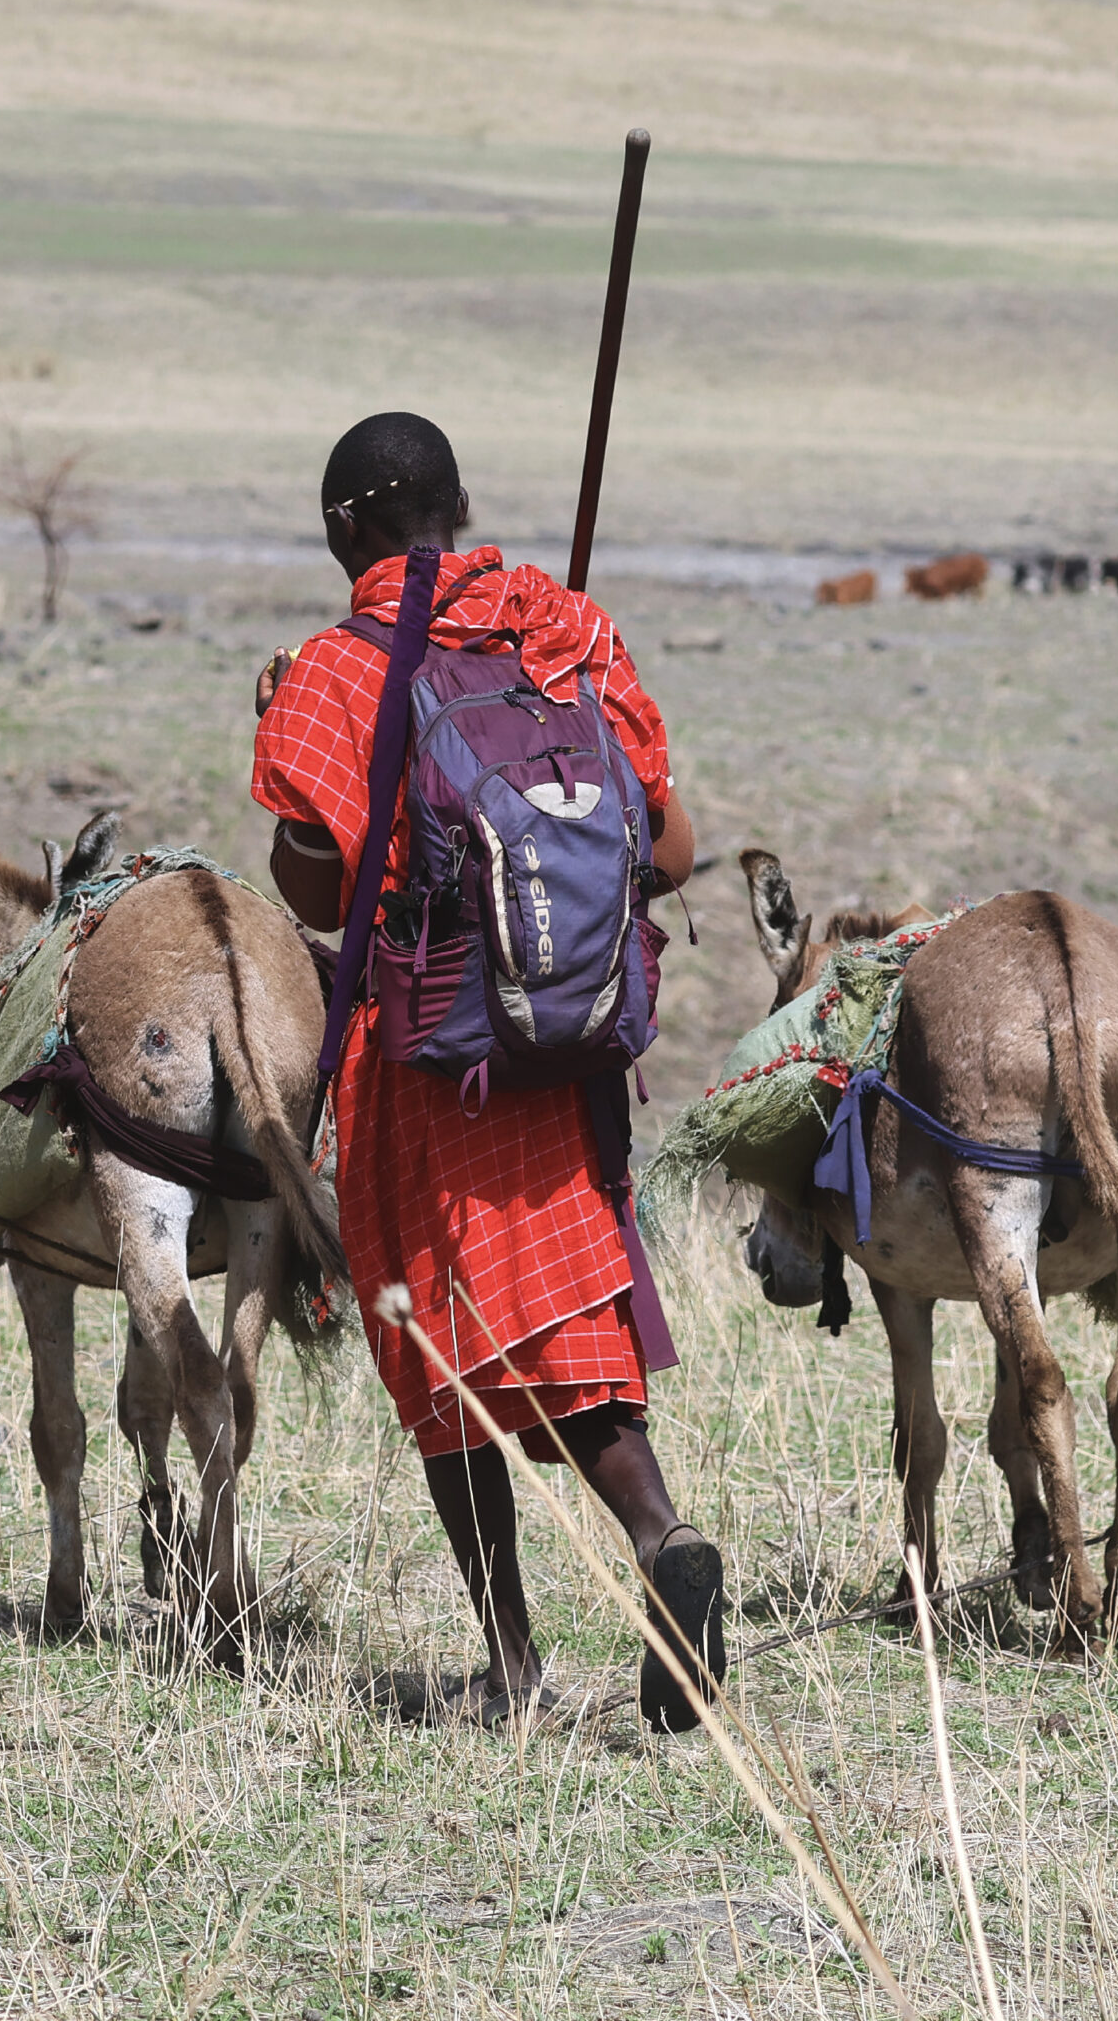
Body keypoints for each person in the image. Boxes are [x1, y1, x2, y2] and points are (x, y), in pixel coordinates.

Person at [252, 410, 725, 1729]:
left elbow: (320, 887)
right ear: (455, 508)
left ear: (351, 529)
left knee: (447, 1364)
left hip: (423, 1060)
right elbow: (675, 853)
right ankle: (659, 1538)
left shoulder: (339, 672)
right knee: (569, 1334)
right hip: (567, 1056)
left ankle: (513, 1662)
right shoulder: (569, 631)